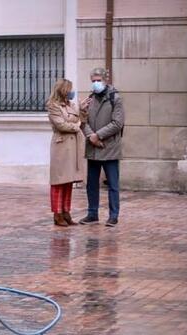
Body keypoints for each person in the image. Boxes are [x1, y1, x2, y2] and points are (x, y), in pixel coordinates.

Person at [79, 67, 124, 227]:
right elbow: (83, 122)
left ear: (105, 80)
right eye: (93, 81)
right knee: (92, 183)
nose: (96, 83)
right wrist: (91, 136)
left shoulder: (115, 98)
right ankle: (92, 213)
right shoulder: (90, 99)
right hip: (93, 148)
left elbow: (117, 123)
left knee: (113, 184)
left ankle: (113, 215)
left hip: (109, 147)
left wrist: (98, 135)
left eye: (98, 80)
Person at [47, 78, 85, 226]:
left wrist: (83, 111)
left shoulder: (72, 105)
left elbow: (81, 119)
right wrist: (76, 125)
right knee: (59, 181)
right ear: (63, 90)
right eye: (69, 89)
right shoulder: (53, 106)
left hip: (73, 146)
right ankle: (57, 214)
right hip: (61, 146)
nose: (72, 92)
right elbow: (61, 124)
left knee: (69, 181)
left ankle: (66, 212)